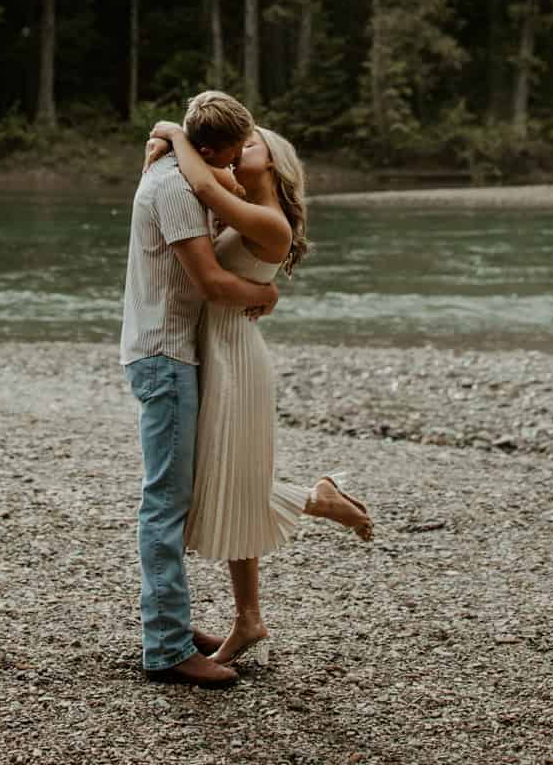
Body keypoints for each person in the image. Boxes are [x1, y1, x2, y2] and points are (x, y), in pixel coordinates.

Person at [146, 116, 374, 666]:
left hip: (235, 359)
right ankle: (249, 617)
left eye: (248, 144)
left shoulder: (268, 220)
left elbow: (198, 182)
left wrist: (175, 137)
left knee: (227, 480)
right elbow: (186, 178)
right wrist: (162, 137)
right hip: (211, 348)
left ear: (270, 161)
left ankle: (317, 501)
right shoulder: (236, 191)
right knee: (226, 479)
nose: (236, 149)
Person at [121, 87, 275, 689]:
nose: (237, 165)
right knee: (164, 504)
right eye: (233, 155)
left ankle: (174, 627)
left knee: (172, 500)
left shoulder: (178, 167)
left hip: (168, 350)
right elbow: (211, 281)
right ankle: (164, 648)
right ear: (210, 149)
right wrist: (263, 295)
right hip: (165, 355)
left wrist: (172, 134)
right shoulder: (177, 188)